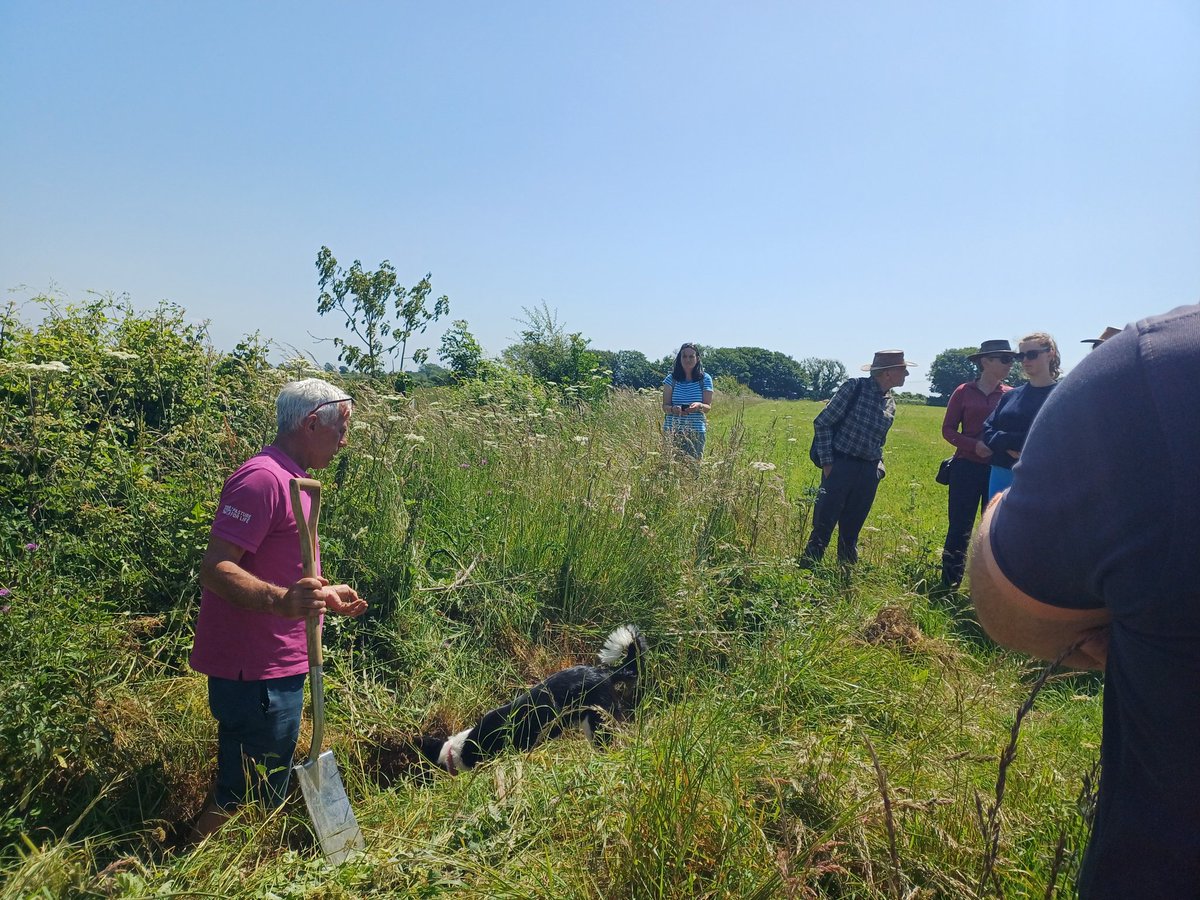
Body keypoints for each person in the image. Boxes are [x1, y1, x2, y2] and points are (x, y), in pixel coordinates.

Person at [968, 306, 1200, 897]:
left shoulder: (1150, 369)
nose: (1022, 363)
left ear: (1051, 357)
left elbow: (1009, 600)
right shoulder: (1033, 394)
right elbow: (988, 430)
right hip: (1015, 479)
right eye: (1016, 356)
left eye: (1029, 355)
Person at [189, 378, 368, 840]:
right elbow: (215, 567)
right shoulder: (262, 479)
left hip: (278, 665)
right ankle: (182, 870)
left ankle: (231, 865)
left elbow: (282, 571)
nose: (344, 441)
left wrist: (319, 596)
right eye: (340, 429)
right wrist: (281, 600)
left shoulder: (296, 481)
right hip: (256, 672)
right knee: (243, 791)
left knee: (261, 784)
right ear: (311, 423)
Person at [800, 350, 914, 567]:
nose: (907, 374)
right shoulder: (854, 387)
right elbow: (822, 422)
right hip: (840, 465)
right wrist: (827, 464)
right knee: (823, 527)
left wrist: (879, 468)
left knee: (852, 531)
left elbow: (880, 441)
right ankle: (806, 575)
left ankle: (845, 577)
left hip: (868, 472)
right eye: (902, 369)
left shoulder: (890, 402)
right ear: (888, 373)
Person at [938, 340, 1014, 588]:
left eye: (1010, 359)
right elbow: (948, 430)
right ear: (985, 362)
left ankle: (984, 589)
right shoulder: (963, 392)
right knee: (960, 527)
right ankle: (949, 583)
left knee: (991, 531)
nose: (1009, 364)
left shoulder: (1011, 395)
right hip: (965, 469)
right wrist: (973, 445)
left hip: (999, 471)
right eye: (1003, 359)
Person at [981, 332, 1060, 499]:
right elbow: (987, 429)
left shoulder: (1063, 396)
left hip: (1040, 476)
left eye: (1031, 355)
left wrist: (1017, 445)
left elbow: (1058, 436)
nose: (1025, 360)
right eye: (1021, 356)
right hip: (1001, 473)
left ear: (1050, 353)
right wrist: (1009, 444)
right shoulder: (1010, 395)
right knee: (995, 524)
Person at [661, 343, 714, 459]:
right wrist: (673, 409)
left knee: (694, 467)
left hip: (696, 431)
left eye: (691, 356)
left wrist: (699, 406)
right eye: (684, 356)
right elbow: (665, 406)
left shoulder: (705, 379)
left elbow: (708, 407)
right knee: (671, 467)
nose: (687, 359)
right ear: (679, 358)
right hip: (672, 430)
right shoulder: (671, 379)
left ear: (697, 358)